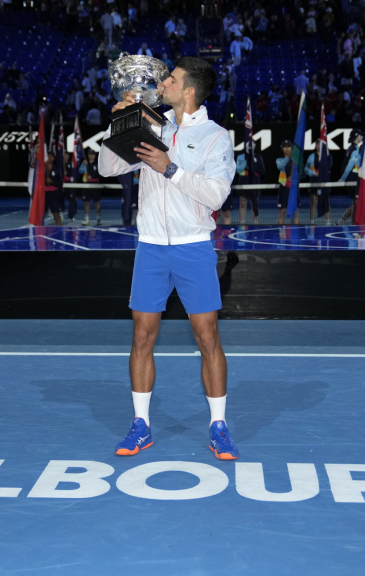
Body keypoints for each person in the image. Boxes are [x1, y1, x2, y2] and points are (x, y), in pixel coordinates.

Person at [97, 56, 239, 460]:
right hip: (151, 246)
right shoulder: (152, 124)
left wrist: (169, 167)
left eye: (171, 79)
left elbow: (215, 195)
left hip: (194, 246)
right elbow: (107, 167)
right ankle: (141, 425)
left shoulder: (216, 137)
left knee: (207, 337)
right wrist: (120, 122)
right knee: (142, 337)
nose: (162, 84)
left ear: (189, 91)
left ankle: (218, 426)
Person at [337, 129, 363, 224]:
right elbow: (349, 166)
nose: (362, 137)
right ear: (357, 136)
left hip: (352, 179)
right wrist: (343, 178)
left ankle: (342, 220)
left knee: (356, 203)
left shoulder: (351, 148)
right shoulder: (354, 149)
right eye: (361, 135)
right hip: (353, 180)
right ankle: (354, 225)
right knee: (357, 204)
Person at [237, 140, 264, 224]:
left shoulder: (258, 157)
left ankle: (255, 223)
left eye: (253, 144)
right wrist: (247, 160)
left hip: (255, 183)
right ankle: (242, 223)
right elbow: (238, 170)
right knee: (242, 204)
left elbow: (262, 171)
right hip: (243, 183)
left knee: (254, 205)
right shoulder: (240, 157)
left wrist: (252, 171)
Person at [305, 139, 332, 224]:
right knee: (313, 201)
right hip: (314, 181)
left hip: (324, 182)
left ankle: (328, 222)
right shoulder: (311, 157)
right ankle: (312, 222)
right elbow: (306, 168)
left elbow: (329, 167)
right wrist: (312, 173)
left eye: (320, 144)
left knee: (326, 203)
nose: (318, 146)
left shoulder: (328, 157)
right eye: (317, 144)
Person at [275, 139, 298, 224]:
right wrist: (288, 158)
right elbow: (280, 166)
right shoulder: (279, 160)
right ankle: (281, 234)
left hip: (294, 189)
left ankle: (296, 235)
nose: (287, 149)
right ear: (282, 149)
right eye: (284, 147)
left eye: (288, 147)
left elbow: (301, 173)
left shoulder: (296, 160)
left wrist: (295, 178)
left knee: (296, 213)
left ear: (291, 148)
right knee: (282, 212)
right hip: (284, 189)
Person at [79, 148, 102, 225]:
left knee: (97, 202)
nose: (91, 156)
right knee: (87, 202)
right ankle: (86, 219)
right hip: (87, 185)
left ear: (95, 156)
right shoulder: (85, 163)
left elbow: (100, 173)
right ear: (88, 155)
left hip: (95, 185)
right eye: (90, 154)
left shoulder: (97, 164)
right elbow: (80, 171)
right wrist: (83, 164)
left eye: (92, 154)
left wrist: (92, 176)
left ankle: (98, 218)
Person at [45, 152, 63, 226]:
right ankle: (38, 233)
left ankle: (59, 231)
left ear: (54, 158)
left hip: (54, 194)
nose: (49, 158)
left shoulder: (56, 169)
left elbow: (60, 183)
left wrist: (52, 182)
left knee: (56, 215)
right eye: (48, 156)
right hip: (43, 194)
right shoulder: (41, 168)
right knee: (40, 214)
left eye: (51, 156)